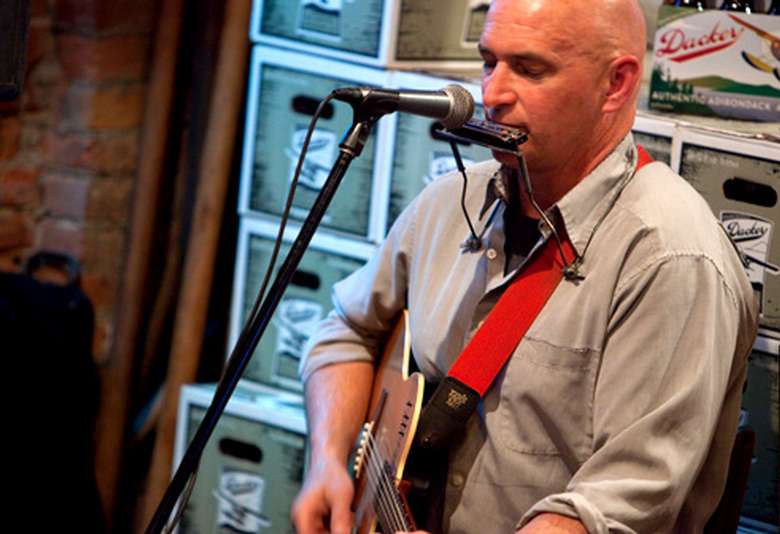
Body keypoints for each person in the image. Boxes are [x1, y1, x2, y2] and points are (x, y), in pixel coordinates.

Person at [292, 0, 759, 532]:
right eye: (490, 62)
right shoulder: (448, 203)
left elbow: (610, 510)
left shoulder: (670, 260)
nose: (491, 94)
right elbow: (349, 329)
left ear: (617, 84)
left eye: (530, 69)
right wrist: (328, 461)